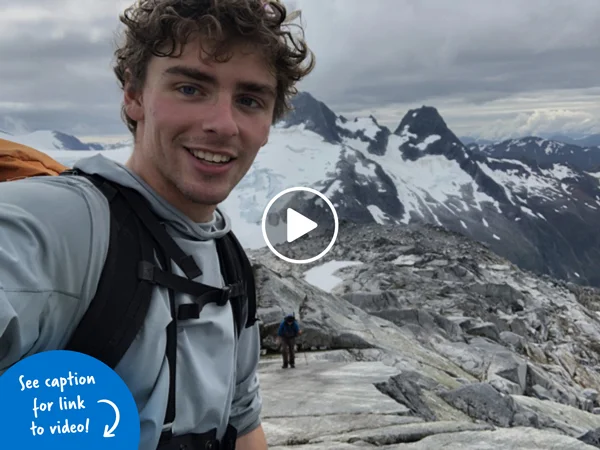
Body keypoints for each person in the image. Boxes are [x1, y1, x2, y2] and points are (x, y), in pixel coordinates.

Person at [0, 0, 314, 449]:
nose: (223, 124)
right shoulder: (65, 227)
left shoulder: (230, 264)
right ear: (133, 95)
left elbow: (243, 426)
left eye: (249, 100)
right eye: (190, 88)